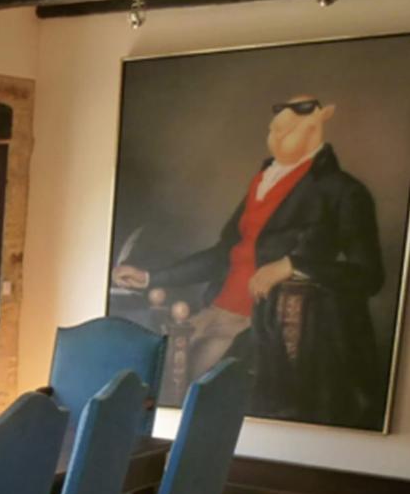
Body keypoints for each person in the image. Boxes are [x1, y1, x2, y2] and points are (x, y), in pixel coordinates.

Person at [113, 95, 385, 428]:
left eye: (284, 131)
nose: (274, 138)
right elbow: (223, 254)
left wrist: (293, 265)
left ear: (313, 128)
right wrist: (150, 277)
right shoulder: (263, 180)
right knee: (152, 383)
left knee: (197, 405)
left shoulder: (344, 191)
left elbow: (369, 275)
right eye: (273, 130)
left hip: (270, 325)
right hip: (216, 311)